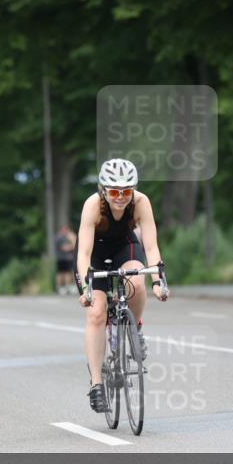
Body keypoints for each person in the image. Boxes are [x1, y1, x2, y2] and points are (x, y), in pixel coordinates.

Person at [76, 158, 167, 414]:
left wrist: (158, 282)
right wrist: (86, 289)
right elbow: (83, 253)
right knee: (96, 311)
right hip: (93, 253)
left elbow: (150, 247)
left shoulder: (141, 202)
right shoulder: (93, 205)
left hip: (124, 248)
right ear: (104, 189)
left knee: (136, 282)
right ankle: (96, 384)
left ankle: (134, 327)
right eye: (114, 191)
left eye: (126, 191)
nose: (120, 197)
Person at [54, 225, 77, 294]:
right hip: (62, 258)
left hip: (66, 258)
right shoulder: (60, 238)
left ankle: (67, 286)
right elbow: (64, 248)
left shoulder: (64, 237)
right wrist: (73, 245)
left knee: (67, 273)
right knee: (63, 273)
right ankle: (62, 287)